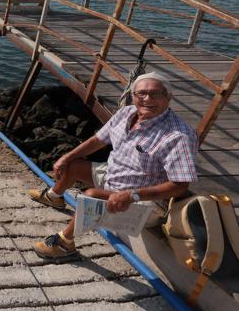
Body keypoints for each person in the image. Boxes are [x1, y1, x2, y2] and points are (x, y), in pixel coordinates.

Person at [27, 72, 198, 262]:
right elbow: (98, 140)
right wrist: (67, 157)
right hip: (113, 176)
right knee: (72, 164)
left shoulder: (179, 135)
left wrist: (132, 195)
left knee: (90, 196)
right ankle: (54, 196)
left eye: (156, 94)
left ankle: (64, 244)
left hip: (145, 201)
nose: (147, 99)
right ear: (133, 96)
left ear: (168, 97)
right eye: (141, 93)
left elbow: (180, 185)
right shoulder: (126, 113)